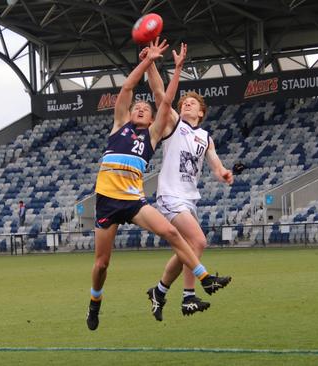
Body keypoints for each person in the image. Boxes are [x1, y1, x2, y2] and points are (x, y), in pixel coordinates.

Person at [86, 39, 231, 331]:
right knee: (102, 265)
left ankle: (202, 279)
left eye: (145, 108)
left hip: (134, 201)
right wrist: (147, 61)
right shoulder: (119, 127)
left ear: (154, 119)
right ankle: (95, 302)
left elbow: (164, 100)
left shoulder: (154, 136)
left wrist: (177, 69)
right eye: (136, 108)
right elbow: (128, 89)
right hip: (107, 200)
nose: (139, 109)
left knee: (170, 232)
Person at [143, 47, 233, 321]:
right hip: (170, 196)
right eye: (184, 103)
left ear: (202, 113)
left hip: (189, 198)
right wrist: (150, 65)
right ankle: (188, 298)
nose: (186, 105)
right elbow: (160, 94)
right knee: (198, 241)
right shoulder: (174, 124)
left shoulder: (205, 137)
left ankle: (159, 291)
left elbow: (216, 166)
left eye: (192, 103)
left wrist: (224, 174)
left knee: (187, 250)